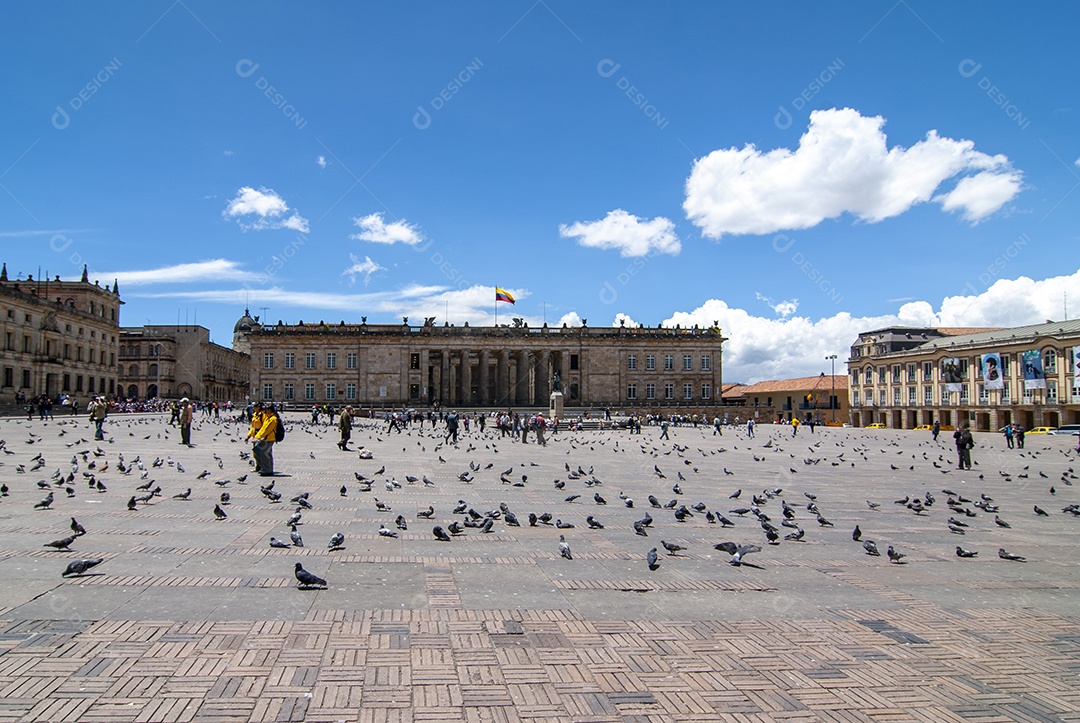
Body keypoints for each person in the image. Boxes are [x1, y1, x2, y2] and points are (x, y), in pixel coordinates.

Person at [253, 403, 280, 476]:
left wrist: (258, 437)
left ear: (269, 410)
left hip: (269, 438)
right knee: (266, 454)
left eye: (266, 409)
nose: (264, 411)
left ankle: (267, 470)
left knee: (264, 454)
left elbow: (267, 430)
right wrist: (257, 436)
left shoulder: (273, 419)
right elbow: (263, 428)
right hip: (266, 438)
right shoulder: (268, 418)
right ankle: (268, 469)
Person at [244, 402, 265, 473]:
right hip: (255, 435)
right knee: (255, 452)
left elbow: (264, 427)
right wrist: (248, 436)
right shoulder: (255, 415)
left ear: (258, 407)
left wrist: (261, 436)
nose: (253, 408)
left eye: (254, 407)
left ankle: (262, 467)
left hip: (260, 435)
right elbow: (253, 427)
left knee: (259, 452)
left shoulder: (262, 415)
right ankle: (258, 466)